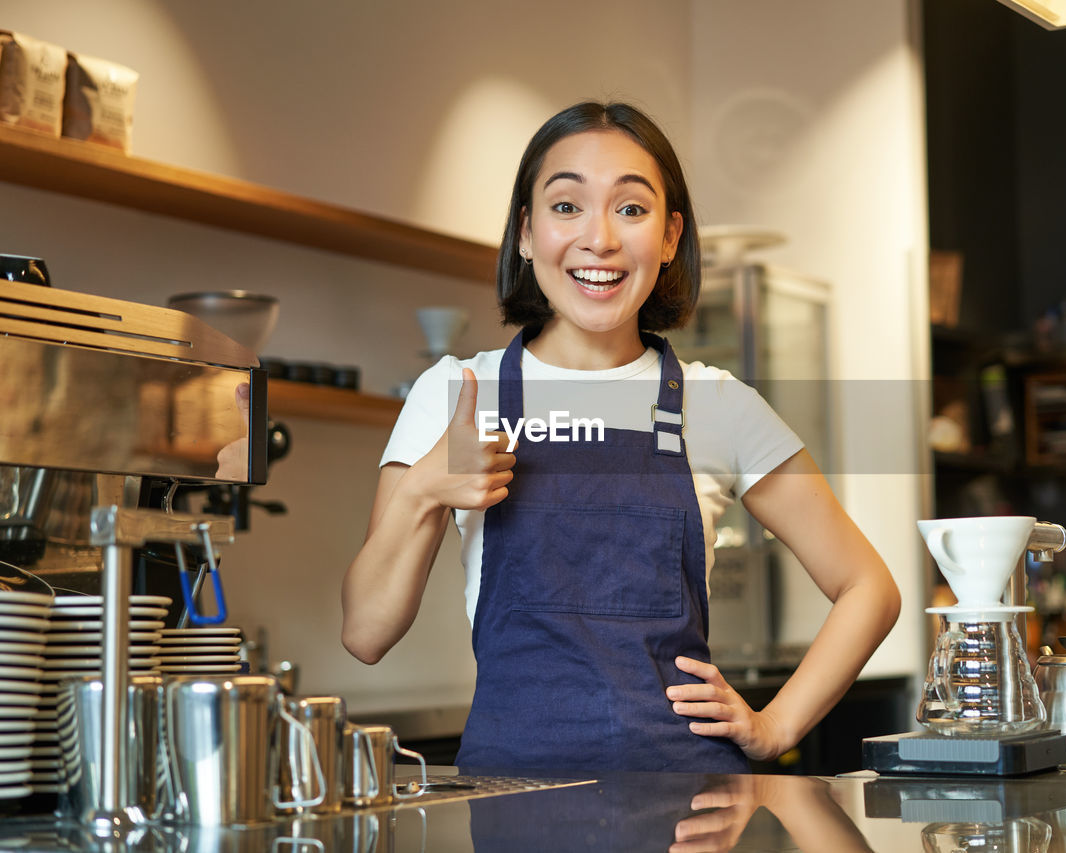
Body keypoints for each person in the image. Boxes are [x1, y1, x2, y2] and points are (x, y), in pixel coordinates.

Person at [341, 101, 899, 773]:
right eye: (567, 206)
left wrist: (774, 724)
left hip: (692, 809)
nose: (599, 238)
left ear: (669, 238)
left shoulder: (717, 405)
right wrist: (423, 491)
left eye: (631, 209)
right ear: (525, 232)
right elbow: (366, 633)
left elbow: (869, 585)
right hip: (515, 802)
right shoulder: (459, 394)